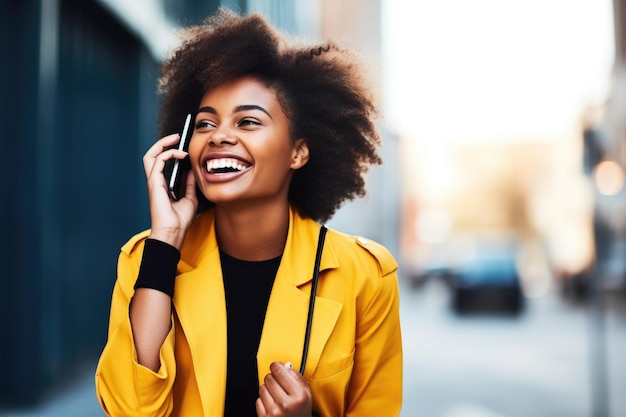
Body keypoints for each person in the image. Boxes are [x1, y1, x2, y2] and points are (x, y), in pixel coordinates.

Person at [95, 7, 402, 417]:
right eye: (205, 124)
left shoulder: (365, 276)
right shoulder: (146, 260)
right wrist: (165, 241)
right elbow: (129, 410)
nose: (220, 135)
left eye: (248, 122)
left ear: (298, 151)